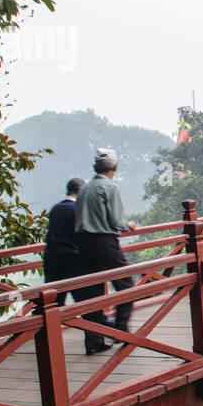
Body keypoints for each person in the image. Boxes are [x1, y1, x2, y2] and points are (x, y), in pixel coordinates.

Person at [75, 147, 139, 355]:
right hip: (104, 242)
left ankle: (93, 341)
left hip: (83, 244)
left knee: (92, 293)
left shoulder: (84, 189)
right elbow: (116, 220)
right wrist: (128, 225)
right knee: (125, 283)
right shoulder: (109, 188)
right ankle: (121, 329)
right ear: (115, 167)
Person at [43, 178, 86, 307]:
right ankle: (95, 326)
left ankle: (51, 327)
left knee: (53, 303)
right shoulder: (77, 209)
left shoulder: (55, 208)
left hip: (51, 258)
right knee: (84, 300)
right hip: (71, 259)